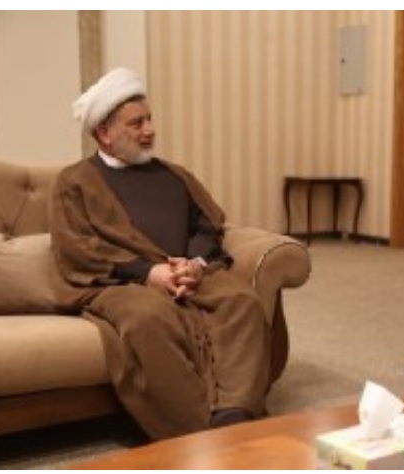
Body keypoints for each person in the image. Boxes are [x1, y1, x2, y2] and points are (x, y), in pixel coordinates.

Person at [50, 68, 271, 439]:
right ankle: (195, 431)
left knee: (242, 302)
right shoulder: (74, 182)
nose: (149, 130)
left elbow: (206, 226)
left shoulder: (175, 175)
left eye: (149, 119)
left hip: (188, 274)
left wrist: (195, 264)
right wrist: (148, 272)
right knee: (148, 318)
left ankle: (234, 414)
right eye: (136, 123)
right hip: (123, 282)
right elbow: (77, 247)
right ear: (104, 133)